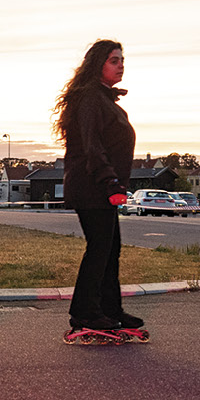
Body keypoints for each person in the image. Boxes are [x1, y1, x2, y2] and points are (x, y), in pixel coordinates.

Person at [55, 39, 145, 341]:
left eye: (122, 60)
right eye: (114, 60)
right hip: (92, 186)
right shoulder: (92, 98)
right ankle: (85, 312)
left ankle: (110, 309)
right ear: (98, 64)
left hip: (101, 188)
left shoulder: (102, 99)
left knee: (110, 250)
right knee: (99, 250)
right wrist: (111, 184)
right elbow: (93, 148)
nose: (121, 66)